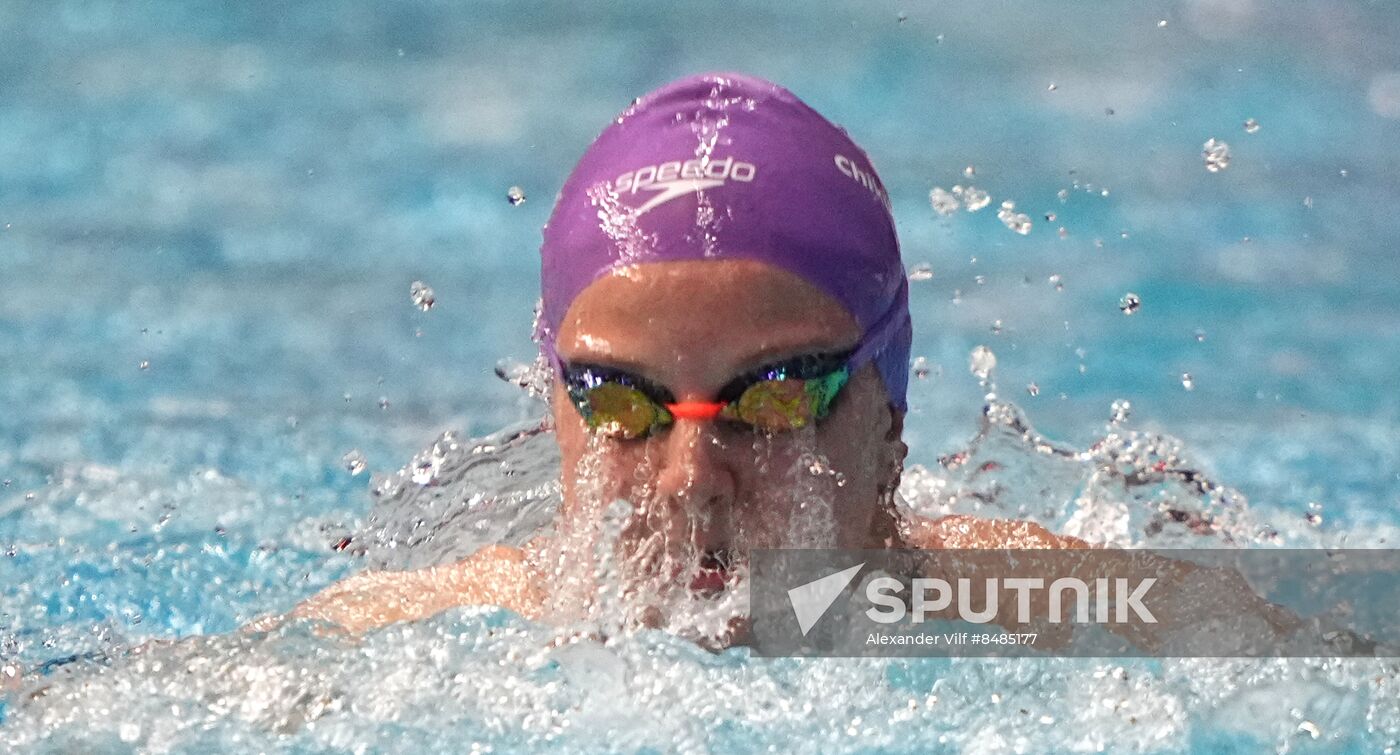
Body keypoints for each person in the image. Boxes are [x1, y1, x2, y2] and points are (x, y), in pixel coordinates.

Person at [283, 72, 1292, 647]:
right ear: (555, 410)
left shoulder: (1045, 613)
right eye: (621, 405)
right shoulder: (419, 639)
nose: (690, 478)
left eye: (769, 398)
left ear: (888, 419)